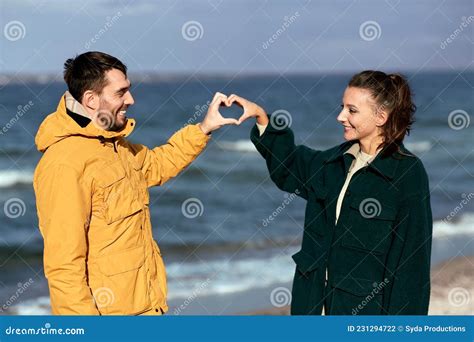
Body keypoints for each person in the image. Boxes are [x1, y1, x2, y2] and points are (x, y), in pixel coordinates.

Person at [33, 51, 238, 315]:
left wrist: (204, 129)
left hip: (148, 309)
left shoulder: (113, 146)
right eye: (121, 92)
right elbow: (64, 267)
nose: (131, 100)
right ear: (91, 100)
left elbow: (157, 163)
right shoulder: (64, 164)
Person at [233, 70, 433, 315]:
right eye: (342, 107)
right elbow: (291, 164)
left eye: (352, 110)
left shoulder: (407, 174)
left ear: (381, 116)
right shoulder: (334, 162)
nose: (340, 116)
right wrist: (262, 119)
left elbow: (411, 267)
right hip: (311, 307)